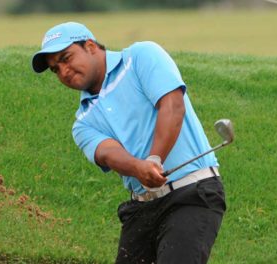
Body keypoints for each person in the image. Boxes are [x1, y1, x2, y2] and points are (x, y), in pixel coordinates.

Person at [31, 21, 226, 264]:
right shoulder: (82, 122)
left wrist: (154, 160)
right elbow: (108, 154)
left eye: (66, 58)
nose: (64, 71)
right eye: (55, 69)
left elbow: (173, 106)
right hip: (142, 209)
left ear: (90, 46)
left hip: (191, 194)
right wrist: (138, 168)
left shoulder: (141, 57)